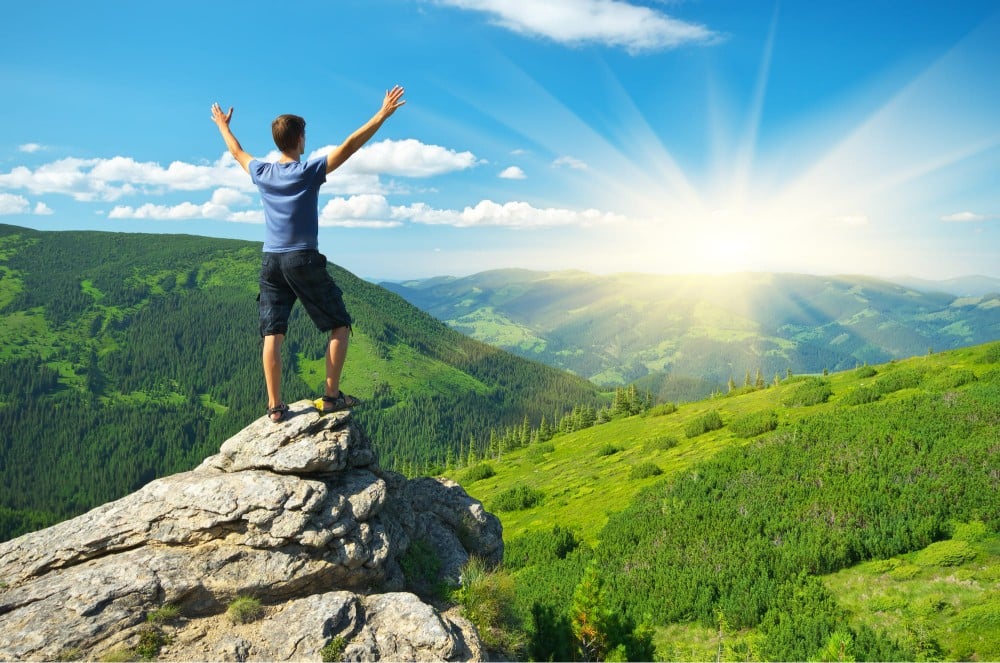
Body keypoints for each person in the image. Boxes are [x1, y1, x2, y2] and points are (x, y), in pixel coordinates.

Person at [211, 85, 406, 422]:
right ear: (300, 139)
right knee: (339, 325)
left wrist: (222, 125)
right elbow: (348, 146)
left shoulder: (262, 172)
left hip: (271, 260)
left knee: (273, 333)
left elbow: (236, 152)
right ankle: (331, 399)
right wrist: (382, 115)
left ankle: (274, 407)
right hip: (302, 258)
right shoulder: (308, 171)